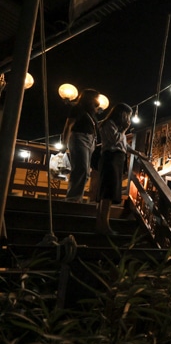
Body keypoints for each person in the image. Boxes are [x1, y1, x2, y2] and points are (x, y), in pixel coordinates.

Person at [94, 103, 147, 235]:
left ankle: (103, 224)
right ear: (121, 114)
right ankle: (103, 225)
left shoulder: (117, 127)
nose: (128, 119)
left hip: (118, 159)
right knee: (107, 192)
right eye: (127, 115)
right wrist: (124, 130)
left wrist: (137, 153)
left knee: (109, 192)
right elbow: (114, 140)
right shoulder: (108, 124)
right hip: (110, 158)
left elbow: (123, 145)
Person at [61, 88, 100, 202]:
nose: (98, 100)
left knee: (86, 171)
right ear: (90, 98)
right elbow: (68, 126)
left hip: (91, 139)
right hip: (79, 137)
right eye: (96, 97)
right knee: (81, 168)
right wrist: (64, 143)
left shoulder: (91, 112)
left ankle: (77, 197)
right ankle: (73, 198)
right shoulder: (77, 108)